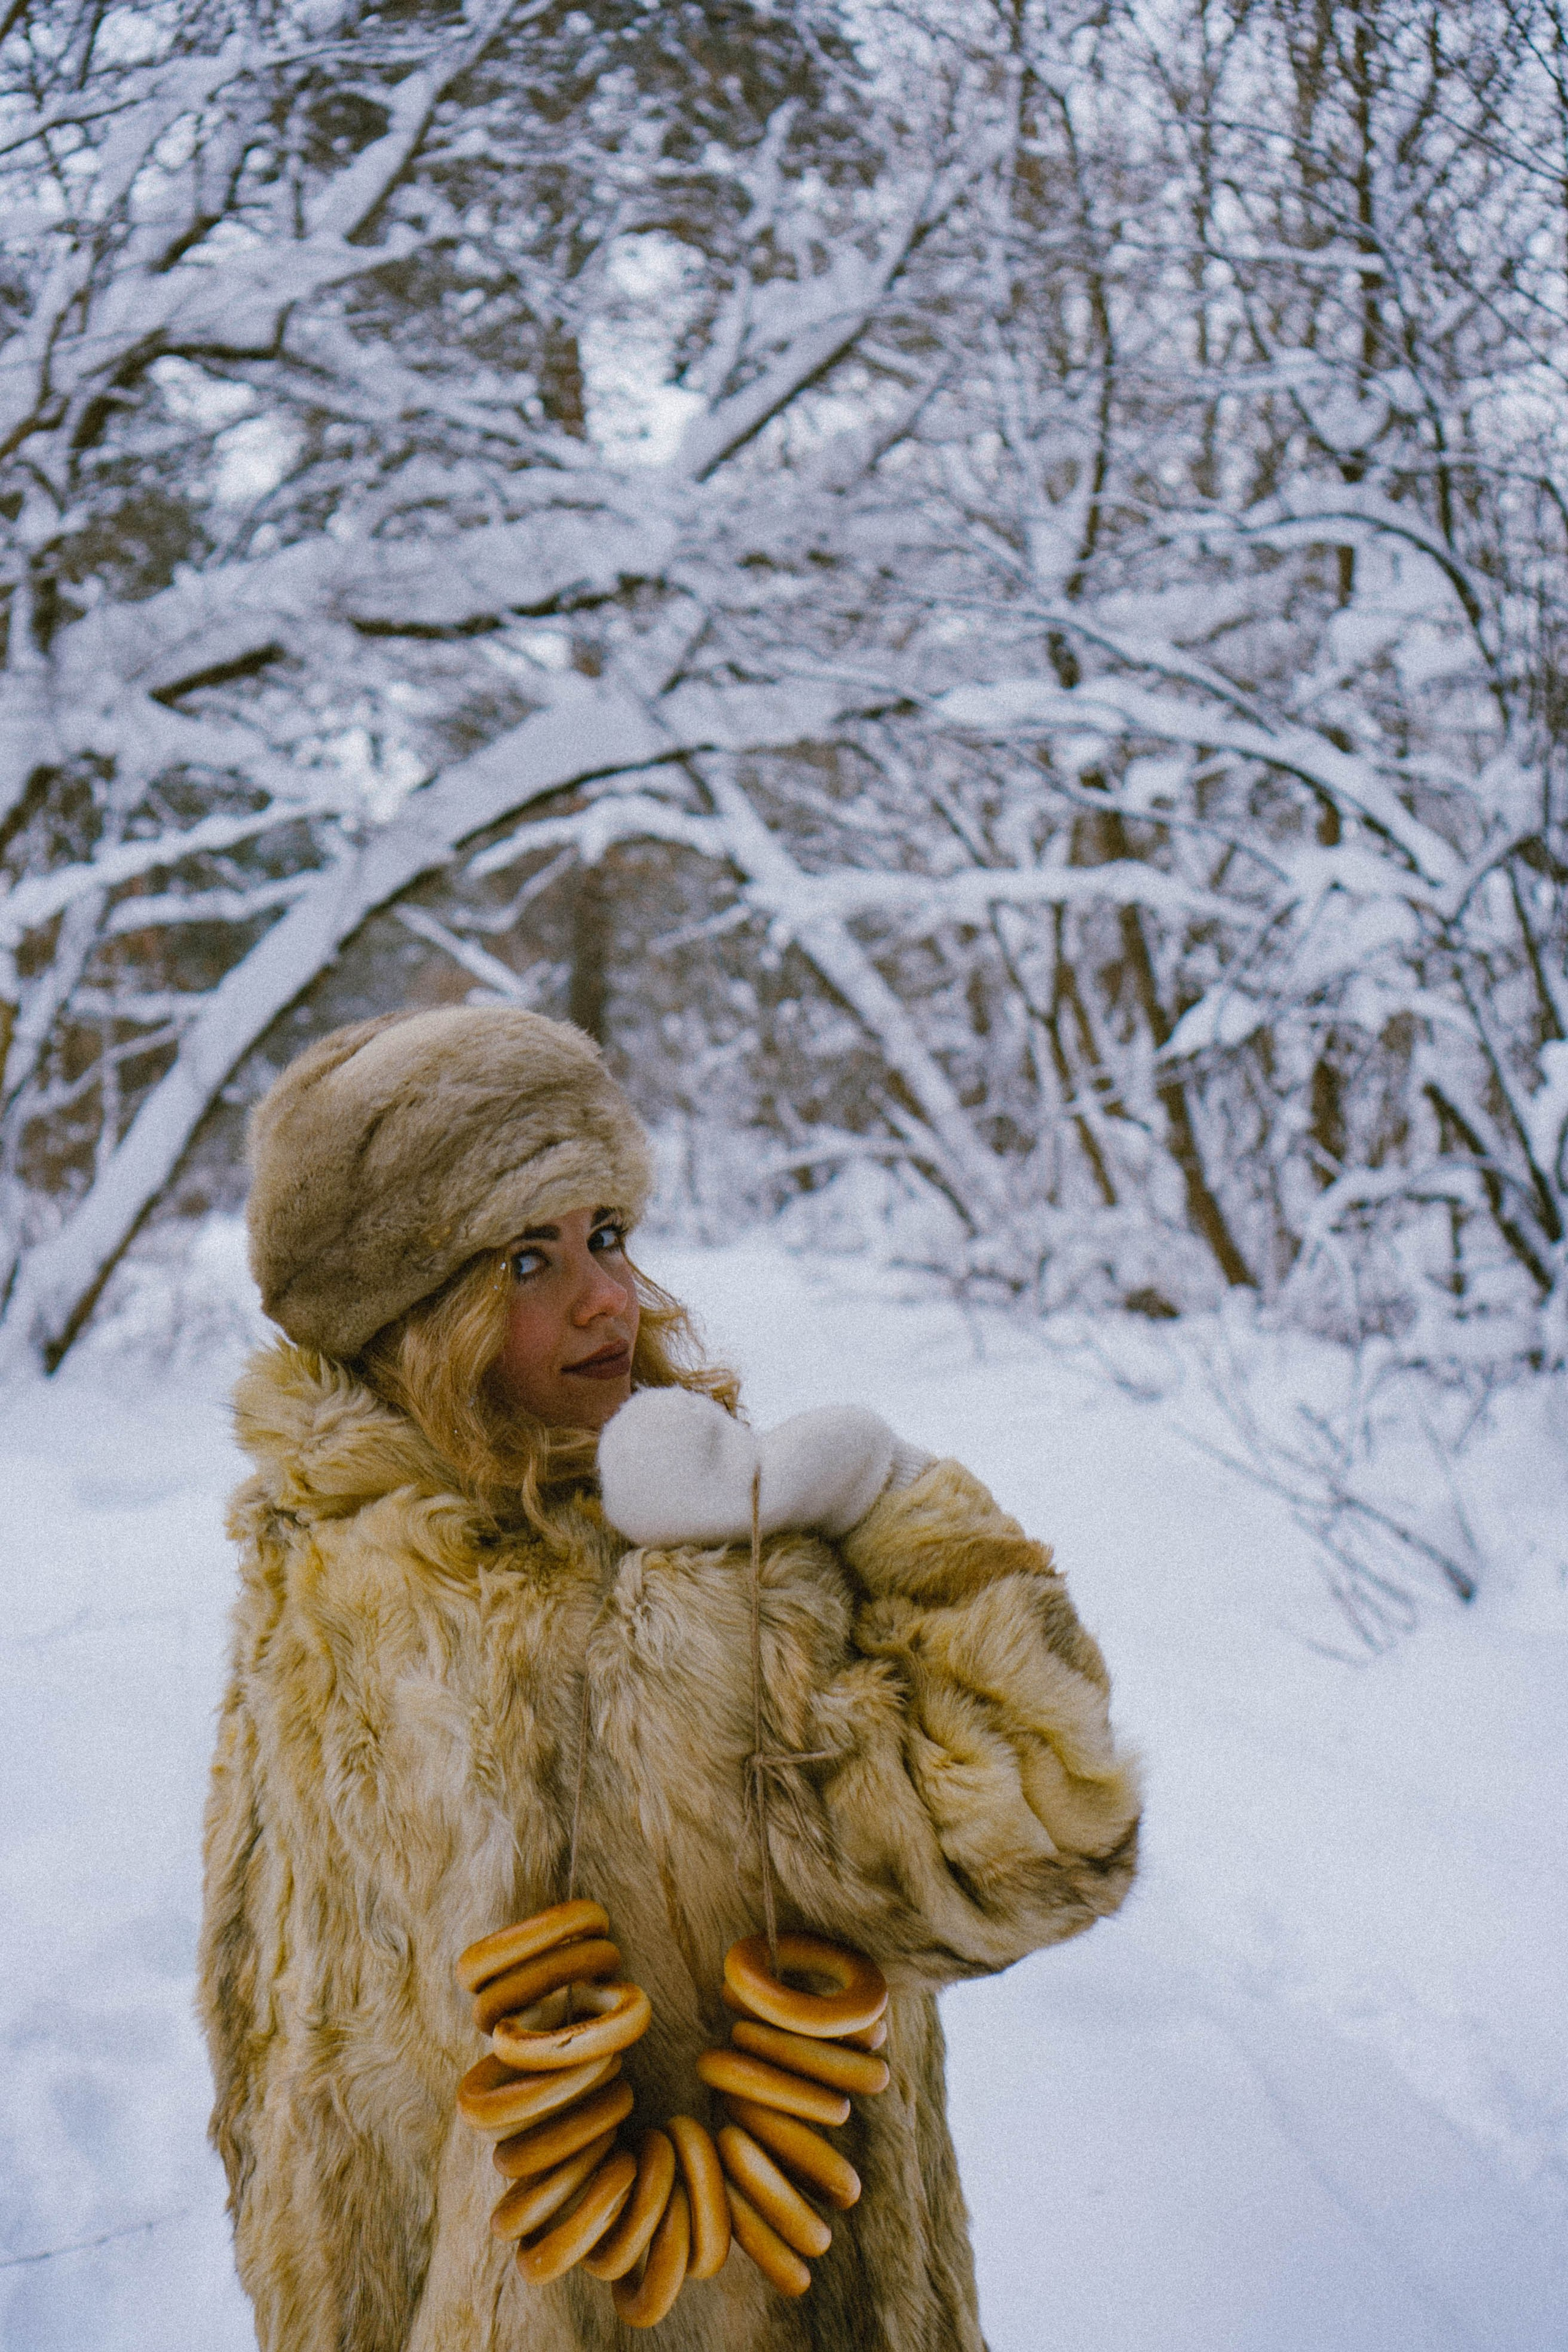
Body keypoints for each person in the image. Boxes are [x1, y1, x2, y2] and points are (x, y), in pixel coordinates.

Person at [198, 1004, 1140, 2352]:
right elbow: (1051, 1827)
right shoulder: (686, 1603)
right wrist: (895, 1509)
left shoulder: (313, 1559)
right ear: (407, 1315)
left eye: (606, 1235)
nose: (605, 1300)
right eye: (525, 1258)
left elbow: (264, 2048)